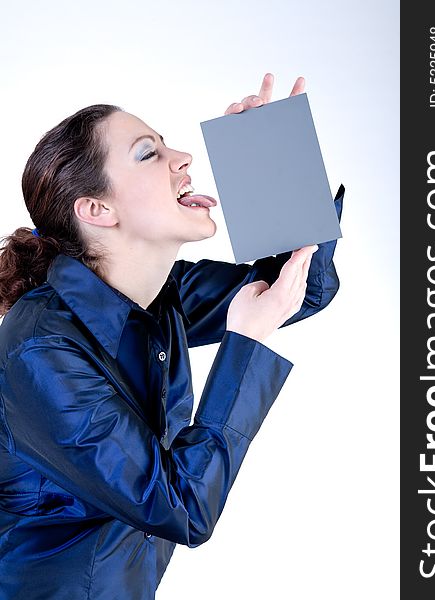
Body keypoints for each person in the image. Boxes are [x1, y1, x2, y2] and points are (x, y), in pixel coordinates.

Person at [0, 73, 345, 599]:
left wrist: (273, 164)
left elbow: (302, 288)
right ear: (97, 210)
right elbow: (181, 507)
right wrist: (243, 344)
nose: (182, 157)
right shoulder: (39, 349)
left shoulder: (161, 294)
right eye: (149, 154)